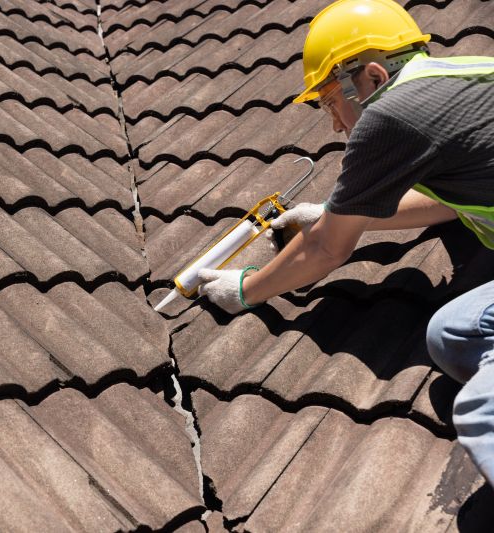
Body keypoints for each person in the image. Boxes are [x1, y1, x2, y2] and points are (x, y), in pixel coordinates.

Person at [196, 0, 494, 485]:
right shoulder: (474, 70)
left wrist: (246, 289)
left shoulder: (391, 114)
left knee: (484, 410)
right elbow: (451, 201)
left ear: (373, 77)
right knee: (452, 334)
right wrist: (347, 214)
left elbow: (325, 252)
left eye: (332, 101)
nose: (335, 124)